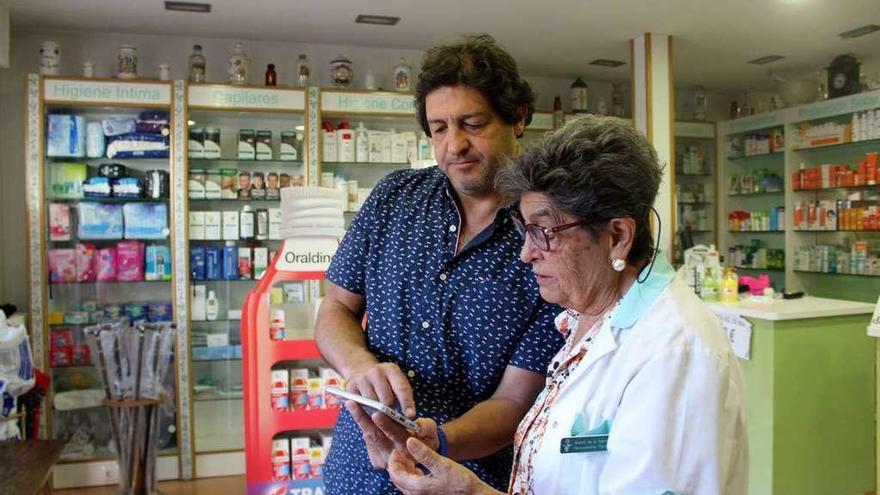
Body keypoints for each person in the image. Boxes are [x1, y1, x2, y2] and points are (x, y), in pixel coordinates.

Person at [386, 115, 748, 495]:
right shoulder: (584, 320)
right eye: (524, 231)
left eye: (543, 233)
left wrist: (472, 493)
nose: (526, 255)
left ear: (618, 236)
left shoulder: (676, 354)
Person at [315, 34, 564, 493]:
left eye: (472, 123)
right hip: (358, 468)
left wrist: (433, 441)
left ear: (519, 117)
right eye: (439, 128)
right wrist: (359, 365)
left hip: (462, 477)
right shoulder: (394, 197)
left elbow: (514, 402)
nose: (455, 145)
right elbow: (334, 308)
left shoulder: (547, 237)